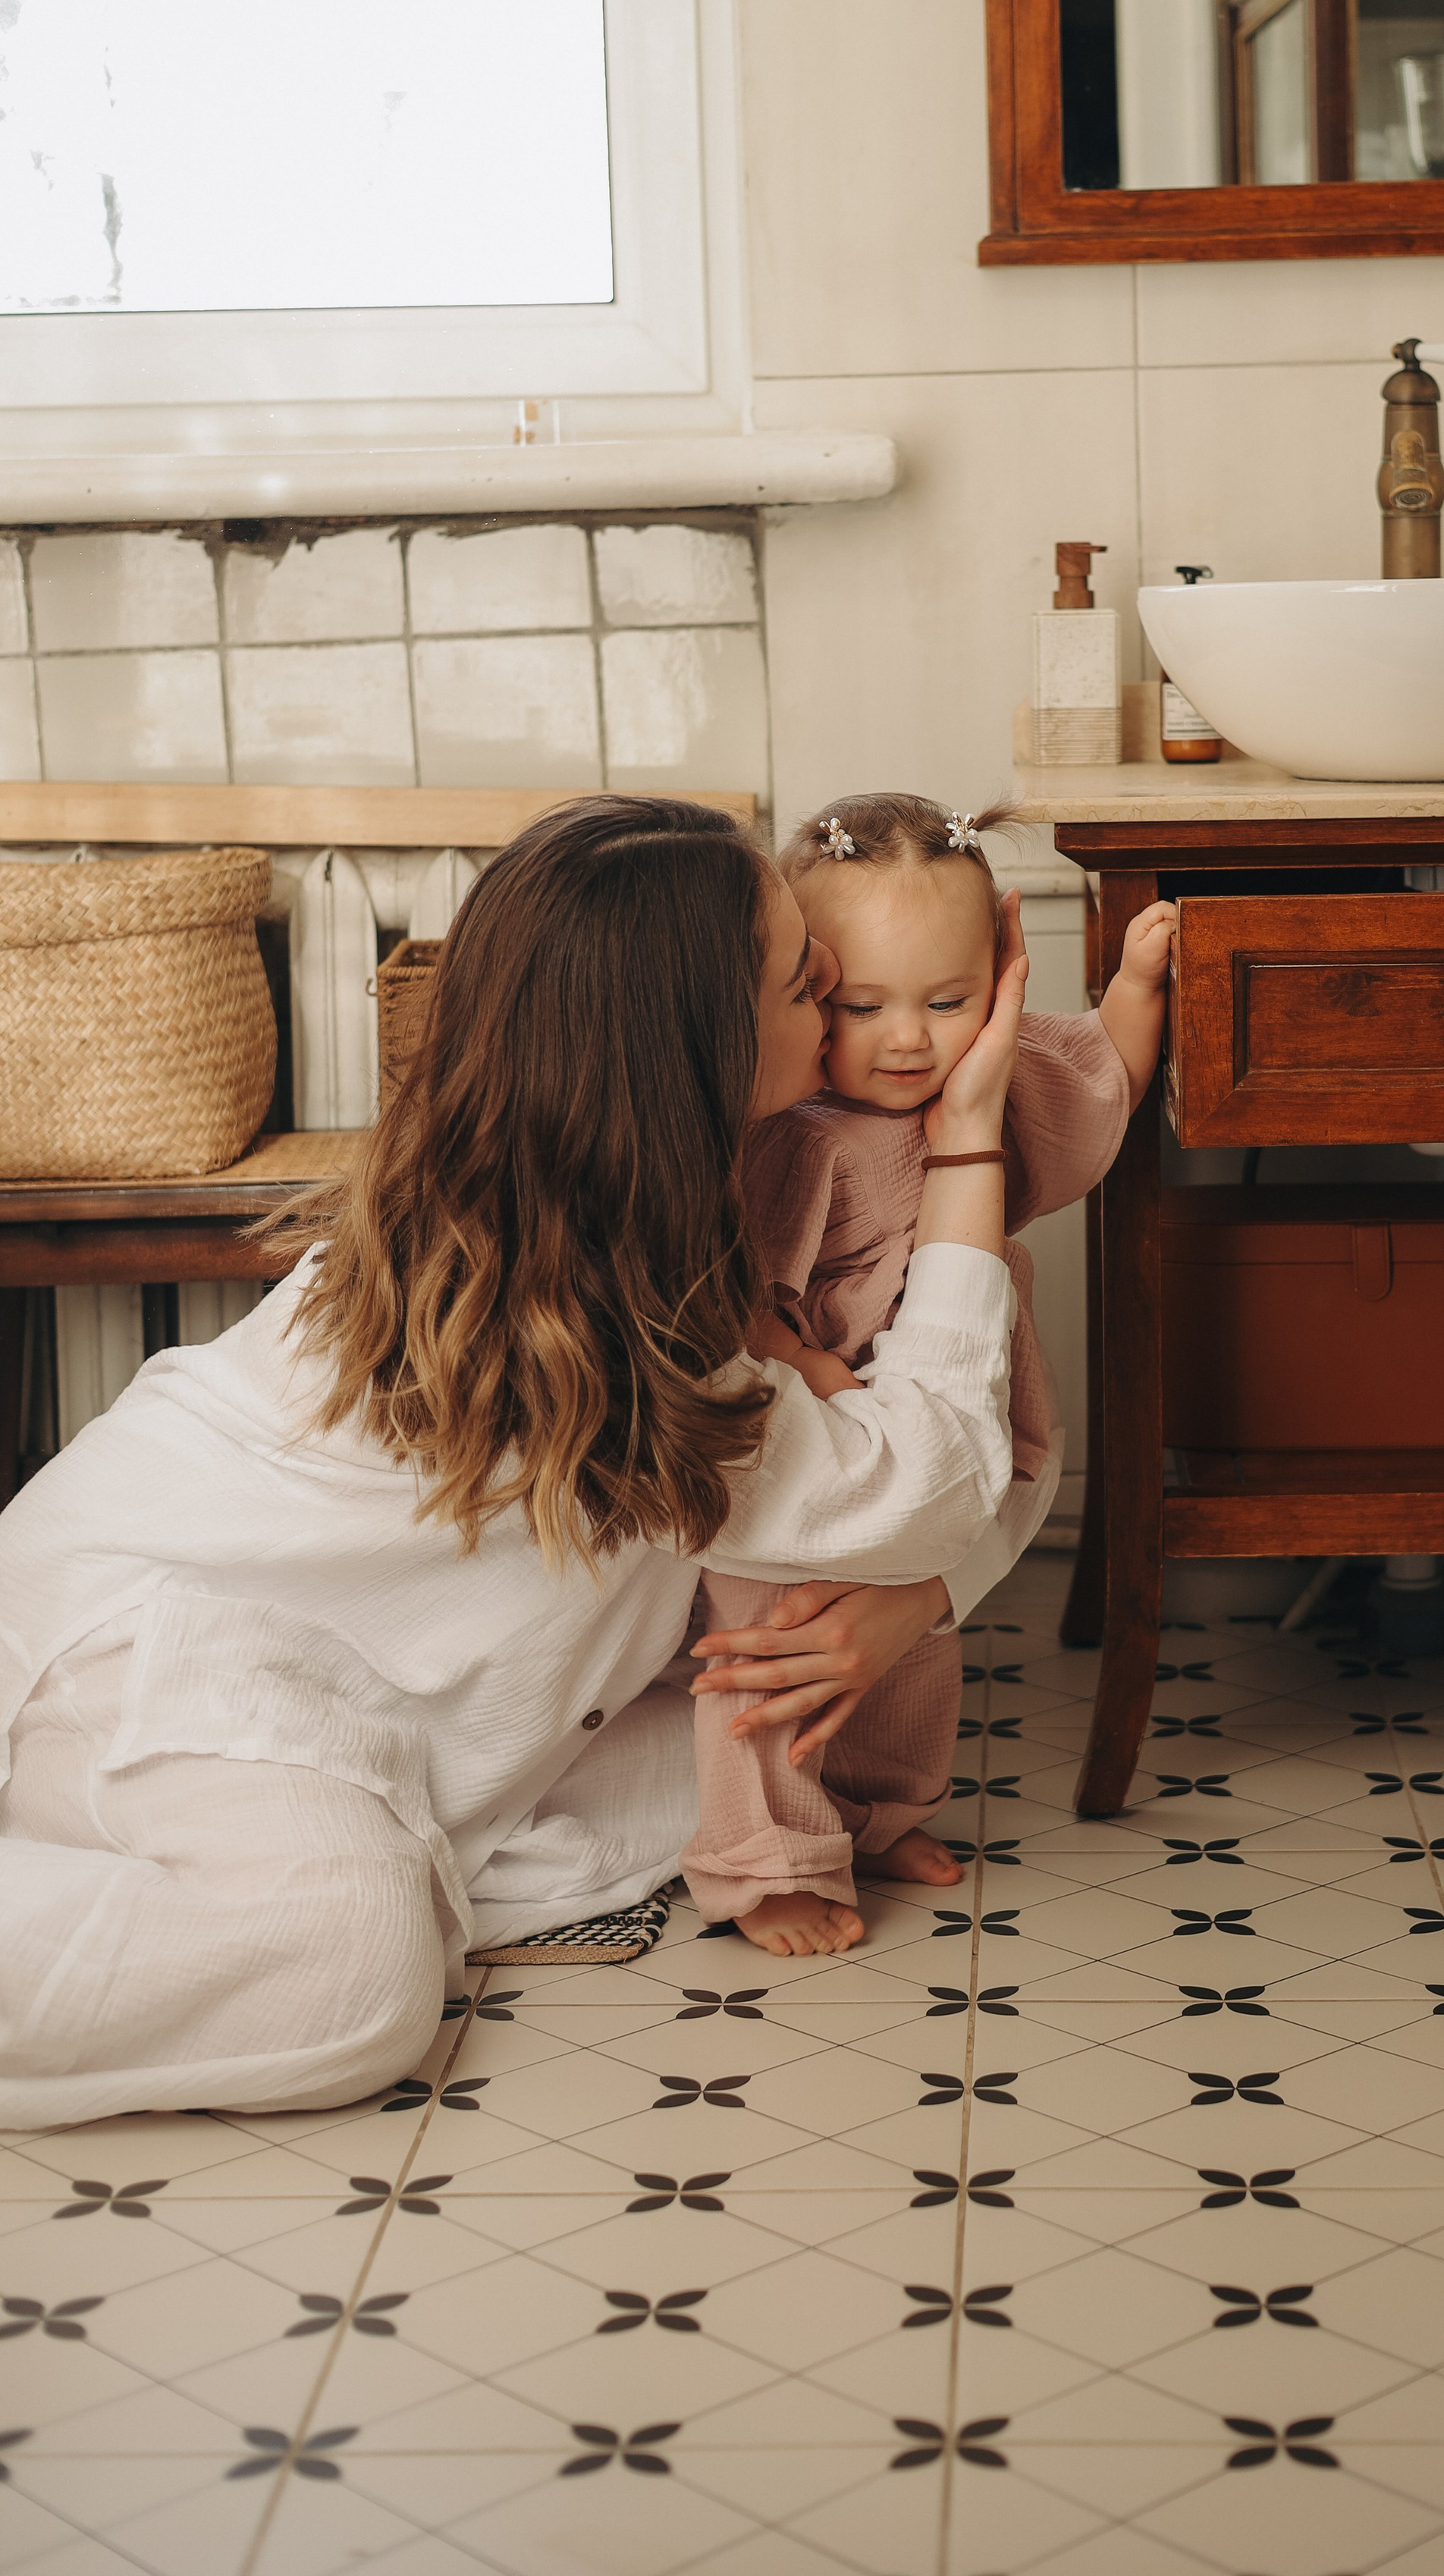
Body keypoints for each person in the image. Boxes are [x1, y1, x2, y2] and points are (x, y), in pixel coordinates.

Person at [0, 796, 1033, 2132]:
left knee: (735, 1760)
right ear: (702, 1049)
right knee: (349, 1969)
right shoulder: (596, 1326)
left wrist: (922, 1599)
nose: (837, 999)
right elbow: (937, 1479)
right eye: (805, 982)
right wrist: (972, 1135)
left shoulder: (601, 1219)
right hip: (132, 1656)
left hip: (308, 1652)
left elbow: (969, 1478)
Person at [682, 792, 1176, 1956]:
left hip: (954, 1404)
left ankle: (880, 1813)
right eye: (860, 1006)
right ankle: (771, 1862)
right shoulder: (790, 1134)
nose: (908, 1039)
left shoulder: (989, 1077)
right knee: (773, 1657)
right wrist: (805, 1361)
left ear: (998, 970)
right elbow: (734, 1296)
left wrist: (1131, 999)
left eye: (948, 1002)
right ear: (805, 988)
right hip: (804, 1442)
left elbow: (1096, 1080)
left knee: (914, 1648)